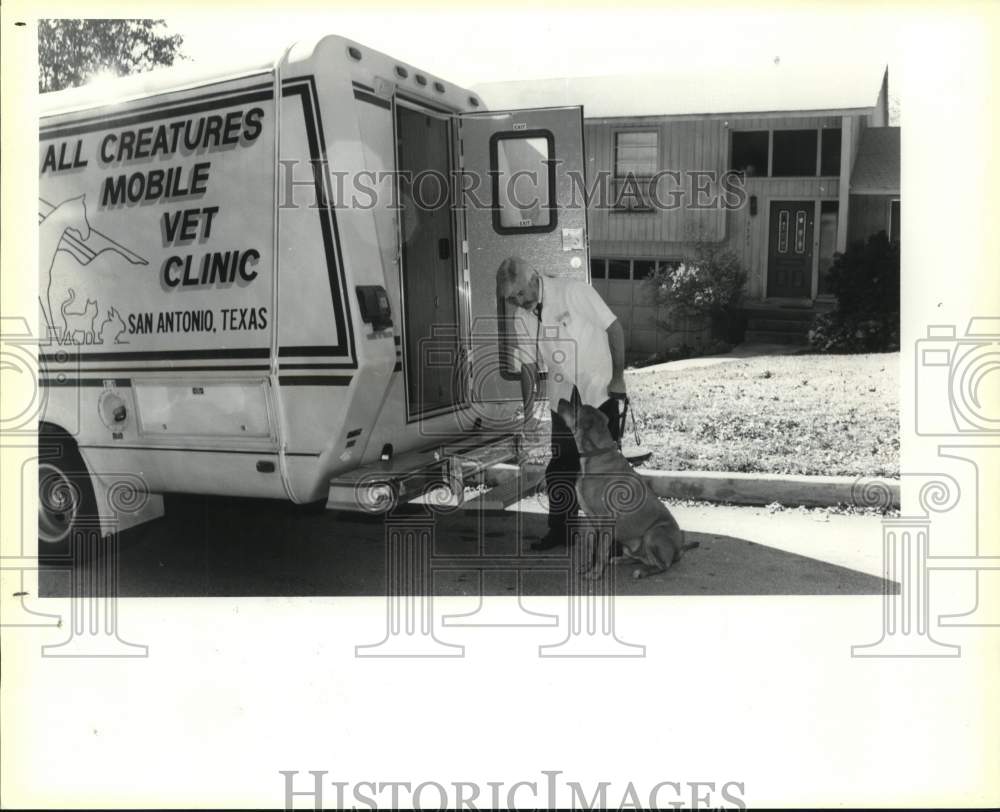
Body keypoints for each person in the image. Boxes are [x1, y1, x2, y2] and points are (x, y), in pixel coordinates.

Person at [496, 256, 626, 550]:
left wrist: (618, 379)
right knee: (560, 468)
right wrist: (529, 412)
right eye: (512, 298)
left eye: (520, 293)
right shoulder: (522, 318)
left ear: (533, 279)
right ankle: (562, 532)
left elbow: (615, 329)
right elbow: (528, 367)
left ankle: (618, 537)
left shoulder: (573, 291)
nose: (519, 301)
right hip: (564, 398)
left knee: (606, 468)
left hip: (597, 390)